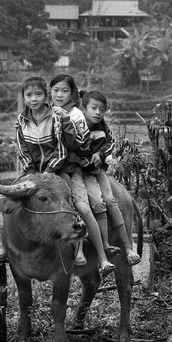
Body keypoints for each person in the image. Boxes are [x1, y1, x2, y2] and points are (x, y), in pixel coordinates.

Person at [0, 75, 69, 261]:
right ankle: (5, 244)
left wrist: (48, 172)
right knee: (10, 199)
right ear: (23, 97)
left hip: (55, 169)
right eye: (29, 95)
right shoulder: (21, 120)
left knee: (69, 197)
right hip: (32, 171)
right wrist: (31, 171)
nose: (34, 99)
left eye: (38, 94)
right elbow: (21, 147)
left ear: (46, 96)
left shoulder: (56, 117)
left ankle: (77, 238)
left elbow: (61, 148)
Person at [50, 73, 119, 277]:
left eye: (64, 90)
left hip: (72, 169)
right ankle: (9, 249)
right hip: (49, 168)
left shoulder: (76, 116)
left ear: (73, 94)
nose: (59, 94)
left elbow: (79, 147)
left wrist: (66, 122)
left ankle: (102, 254)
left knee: (88, 206)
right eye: (55, 90)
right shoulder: (45, 113)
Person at [80, 90, 141, 266]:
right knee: (95, 203)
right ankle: (100, 245)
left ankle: (128, 247)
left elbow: (109, 142)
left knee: (109, 200)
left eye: (102, 109)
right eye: (94, 108)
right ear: (84, 108)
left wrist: (99, 153)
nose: (98, 112)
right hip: (80, 171)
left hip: (97, 171)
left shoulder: (102, 126)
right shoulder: (76, 123)